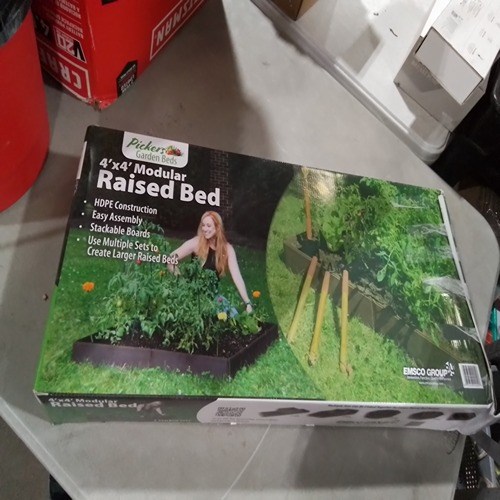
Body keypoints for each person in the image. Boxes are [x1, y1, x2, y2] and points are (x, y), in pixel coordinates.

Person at [168, 211, 253, 313]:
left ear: (217, 228)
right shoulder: (196, 243)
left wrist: (247, 302)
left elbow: (237, 276)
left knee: (233, 315)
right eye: (203, 225)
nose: (204, 229)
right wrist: (182, 282)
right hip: (193, 295)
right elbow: (170, 259)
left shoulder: (227, 249)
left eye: (208, 226)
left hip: (213, 297)